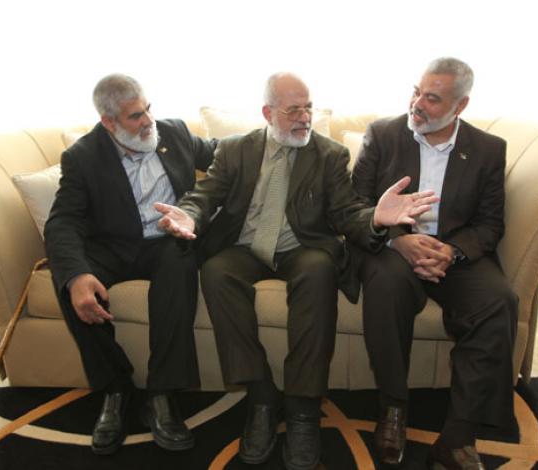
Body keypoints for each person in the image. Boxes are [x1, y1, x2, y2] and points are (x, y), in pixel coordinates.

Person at [155, 72, 438, 470]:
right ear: (268, 113)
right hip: (246, 246)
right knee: (217, 272)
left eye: (308, 108)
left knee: (319, 270)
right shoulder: (235, 150)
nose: (304, 117)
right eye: (293, 110)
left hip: (302, 246)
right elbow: (205, 195)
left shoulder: (329, 154)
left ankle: (303, 408)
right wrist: (188, 215)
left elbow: (346, 212)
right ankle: (261, 397)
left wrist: (375, 218)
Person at [352, 57, 518, 469]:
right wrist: (398, 240)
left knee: (499, 301)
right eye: (416, 92)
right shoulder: (383, 135)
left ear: (460, 106)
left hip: (453, 254)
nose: (417, 104)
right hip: (394, 248)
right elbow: (355, 206)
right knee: (385, 285)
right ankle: (393, 408)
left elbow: (490, 224)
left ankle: (458, 435)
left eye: (432, 98)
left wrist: (451, 252)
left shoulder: (488, 149)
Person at [43, 74, 215, 455]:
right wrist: (77, 275)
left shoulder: (174, 133)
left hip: (166, 239)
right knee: (70, 281)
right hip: (113, 244)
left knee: (181, 260)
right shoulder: (83, 157)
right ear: (109, 122)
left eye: (148, 109)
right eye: (136, 116)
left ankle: (162, 393)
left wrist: (267, 137)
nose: (148, 121)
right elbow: (63, 221)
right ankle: (116, 388)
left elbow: (222, 153)